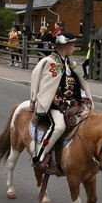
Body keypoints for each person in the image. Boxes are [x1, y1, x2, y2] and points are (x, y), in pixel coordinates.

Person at [29, 31, 93, 174]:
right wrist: (52, 98)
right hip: (55, 106)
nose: (75, 48)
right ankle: (38, 157)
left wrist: (82, 96)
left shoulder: (68, 63)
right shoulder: (50, 62)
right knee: (59, 126)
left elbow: (74, 83)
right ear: (65, 46)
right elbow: (45, 84)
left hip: (71, 103)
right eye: (73, 45)